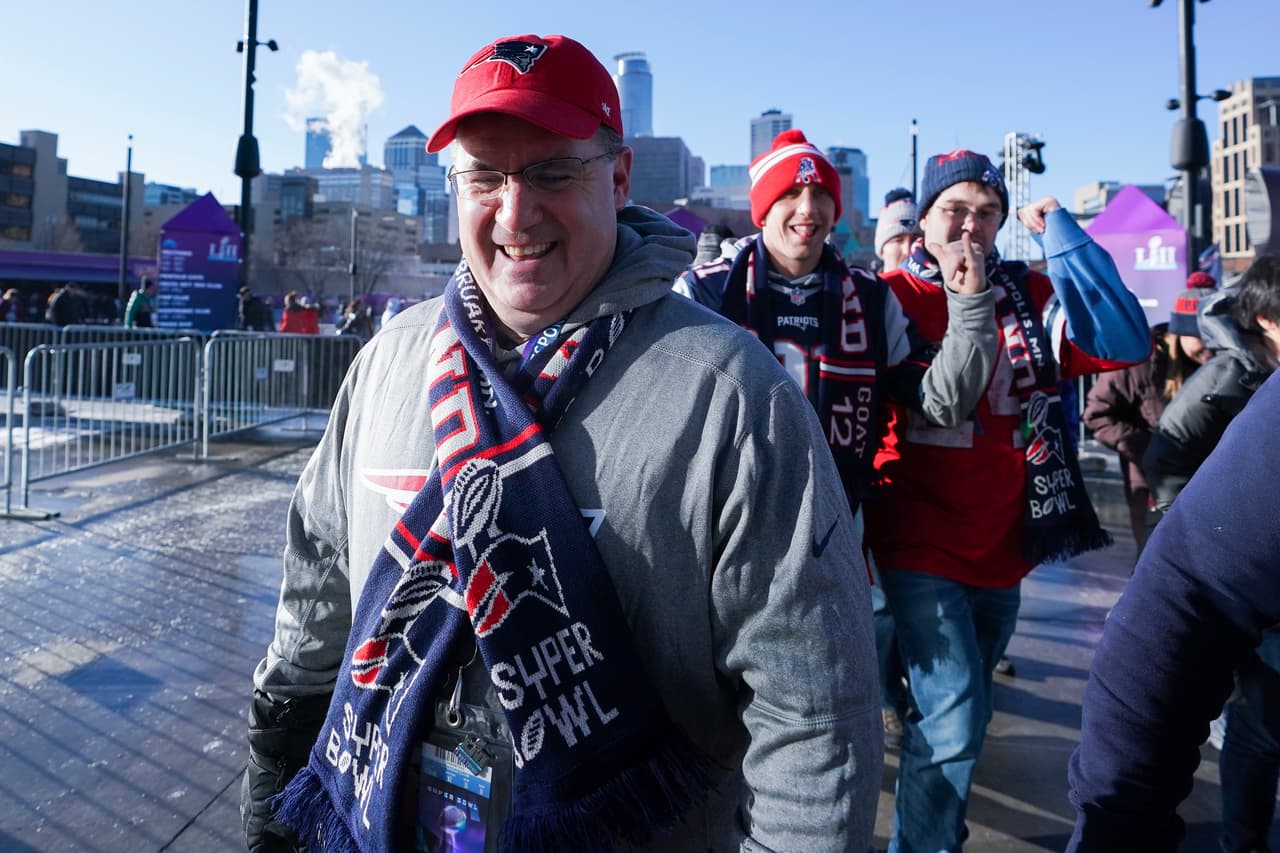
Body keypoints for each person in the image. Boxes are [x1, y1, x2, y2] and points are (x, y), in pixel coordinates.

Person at [243, 33, 881, 853]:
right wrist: (271, 794)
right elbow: (313, 613)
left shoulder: (731, 394)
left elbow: (814, 724)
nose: (516, 212)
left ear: (617, 177)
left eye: (551, 171)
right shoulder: (385, 366)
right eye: (485, 176)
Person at [863, 149, 1150, 853]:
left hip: (1005, 542)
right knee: (956, 721)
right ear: (923, 221)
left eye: (986, 212)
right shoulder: (890, 296)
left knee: (967, 716)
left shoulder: (1030, 294)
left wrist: (1064, 233)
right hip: (917, 539)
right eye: (954, 210)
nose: (971, 226)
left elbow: (1122, 337)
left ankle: (933, 824)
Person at [676, 130, 999, 754]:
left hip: (830, 534)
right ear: (762, 206)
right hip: (717, 535)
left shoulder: (871, 300)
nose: (807, 207)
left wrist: (969, 305)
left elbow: (941, 401)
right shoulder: (705, 291)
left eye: (819, 193)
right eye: (790, 193)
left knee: (809, 706)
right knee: (709, 708)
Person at [1066, 370, 1280, 853]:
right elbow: (1184, 590)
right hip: (1183, 513)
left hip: (1226, 541)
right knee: (1258, 728)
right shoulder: (1215, 371)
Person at [1143, 257, 1280, 526]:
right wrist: (1202, 532)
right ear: (1266, 320)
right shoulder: (1225, 375)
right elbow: (1164, 459)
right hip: (1217, 539)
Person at [1081, 280, 1212, 553]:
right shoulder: (1140, 360)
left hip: (1203, 481)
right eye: (1203, 337)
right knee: (1159, 561)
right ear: (1182, 331)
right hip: (1152, 486)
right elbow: (1097, 415)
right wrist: (1150, 449)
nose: (1210, 349)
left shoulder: (1213, 364)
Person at [874, 188, 923, 273]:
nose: (907, 251)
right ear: (882, 250)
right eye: (898, 240)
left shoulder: (940, 285)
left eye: (915, 240)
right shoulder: (860, 286)